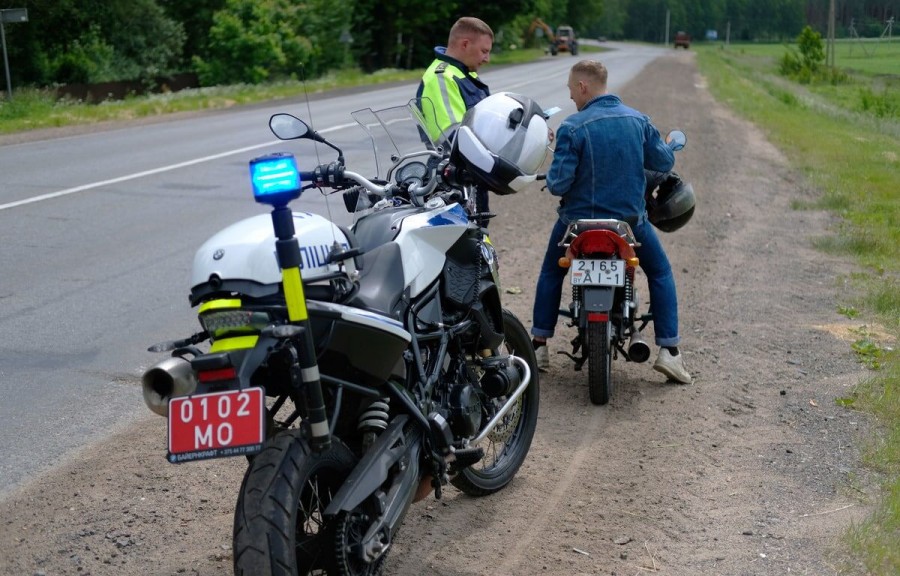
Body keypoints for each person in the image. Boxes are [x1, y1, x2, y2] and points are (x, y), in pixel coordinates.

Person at [531, 59, 691, 384]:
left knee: (551, 272)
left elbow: (559, 185)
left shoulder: (572, 127)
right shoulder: (638, 122)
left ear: (583, 87)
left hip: (576, 225)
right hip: (629, 224)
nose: (572, 98)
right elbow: (663, 160)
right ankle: (669, 353)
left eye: (571, 91)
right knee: (660, 272)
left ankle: (538, 347)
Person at [417, 16, 493, 220]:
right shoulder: (441, 77)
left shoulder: (464, 74)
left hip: (469, 177)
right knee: (459, 246)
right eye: (484, 51)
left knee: (478, 243)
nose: (487, 59)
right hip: (450, 181)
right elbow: (452, 137)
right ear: (465, 44)